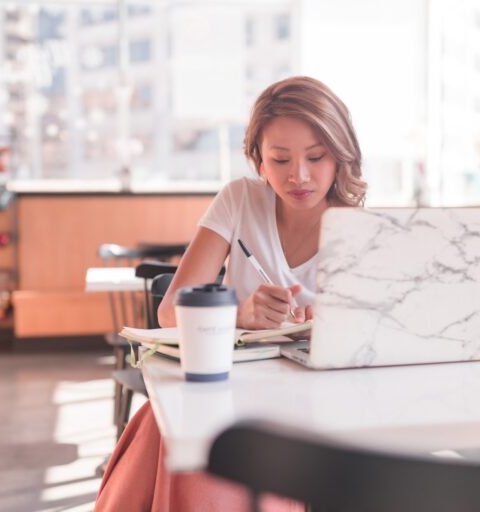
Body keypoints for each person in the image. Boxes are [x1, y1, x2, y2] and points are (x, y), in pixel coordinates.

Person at [95, 76, 367, 512]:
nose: (299, 175)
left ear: (341, 154)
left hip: (314, 406)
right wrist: (239, 313)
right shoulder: (238, 200)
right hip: (226, 394)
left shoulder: (361, 227)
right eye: (280, 160)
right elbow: (169, 311)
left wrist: (338, 327)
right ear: (259, 161)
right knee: (172, 427)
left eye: (315, 157)